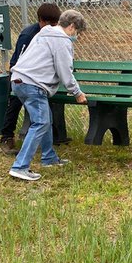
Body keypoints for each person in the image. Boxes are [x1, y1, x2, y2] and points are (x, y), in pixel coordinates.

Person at [8, 10, 88, 181]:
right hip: (33, 84)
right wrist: (77, 93)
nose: (77, 37)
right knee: (41, 122)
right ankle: (20, 166)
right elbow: (65, 72)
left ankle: (49, 157)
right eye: (77, 32)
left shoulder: (44, 33)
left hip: (19, 80)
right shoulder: (61, 41)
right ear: (72, 26)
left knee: (45, 119)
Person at [0, 3, 62, 155]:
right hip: (21, 76)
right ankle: (7, 137)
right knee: (14, 103)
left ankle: (53, 140)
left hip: (41, 80)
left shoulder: (56, 34)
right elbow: (20, 61)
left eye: (55, 23)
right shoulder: (29, 34)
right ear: (40, 20)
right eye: (48, 23)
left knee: (47, 108)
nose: (51, 27)